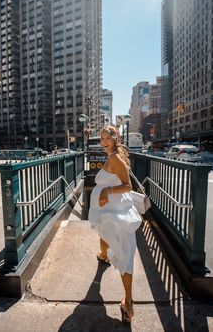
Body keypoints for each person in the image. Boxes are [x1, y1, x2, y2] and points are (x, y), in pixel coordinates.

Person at [88, 125, 142, 324]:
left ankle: (128, 302)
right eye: (101, 139)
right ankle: (103, 255)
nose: (103, 142)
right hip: (111, 213)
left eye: (106, 138)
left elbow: (128, 185)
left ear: (115, 137)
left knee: (123, 255)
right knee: (113, 244)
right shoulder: (114, 155)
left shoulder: (115, 158)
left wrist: (105, 192)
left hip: (116, 215)